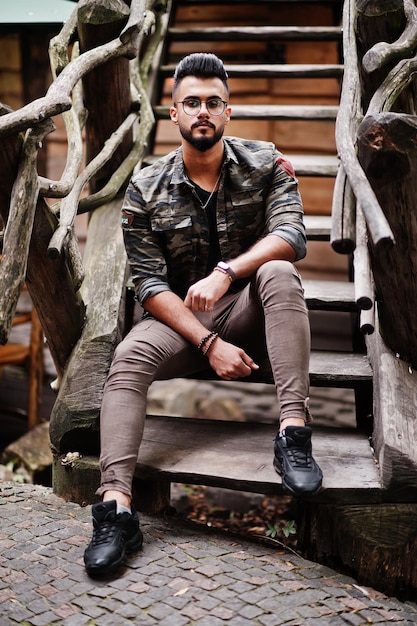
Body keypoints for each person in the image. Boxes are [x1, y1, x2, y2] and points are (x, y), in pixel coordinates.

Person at [84, 52, 323, 577]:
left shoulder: (267, 165)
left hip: (251, 316)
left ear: (228, 111)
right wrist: (206, 344)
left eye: (214, 102)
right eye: (191, 102)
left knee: (279, 273)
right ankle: (117, 509)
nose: (203, 112)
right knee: (126, 357)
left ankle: (292, 433)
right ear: (174, 114)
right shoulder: (144, 188)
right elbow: (148, 285)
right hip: (179, 324)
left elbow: (291, 237)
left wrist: (227, 272)